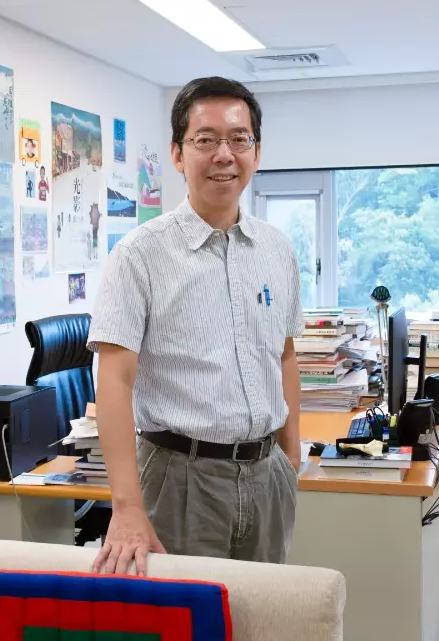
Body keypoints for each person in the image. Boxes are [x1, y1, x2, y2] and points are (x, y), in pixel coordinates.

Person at [87, 76, 304, 576]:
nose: (224, 154)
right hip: (179, 478)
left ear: (256, 152)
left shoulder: (277, 249)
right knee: (185, 613)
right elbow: (114, 380)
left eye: (239, 139)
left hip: (267, 474)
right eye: (205, 139)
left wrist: (290, 456)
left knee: (262, 611)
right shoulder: (140, 255)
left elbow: (285, 353)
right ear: (178, 154)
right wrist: (126, 507)